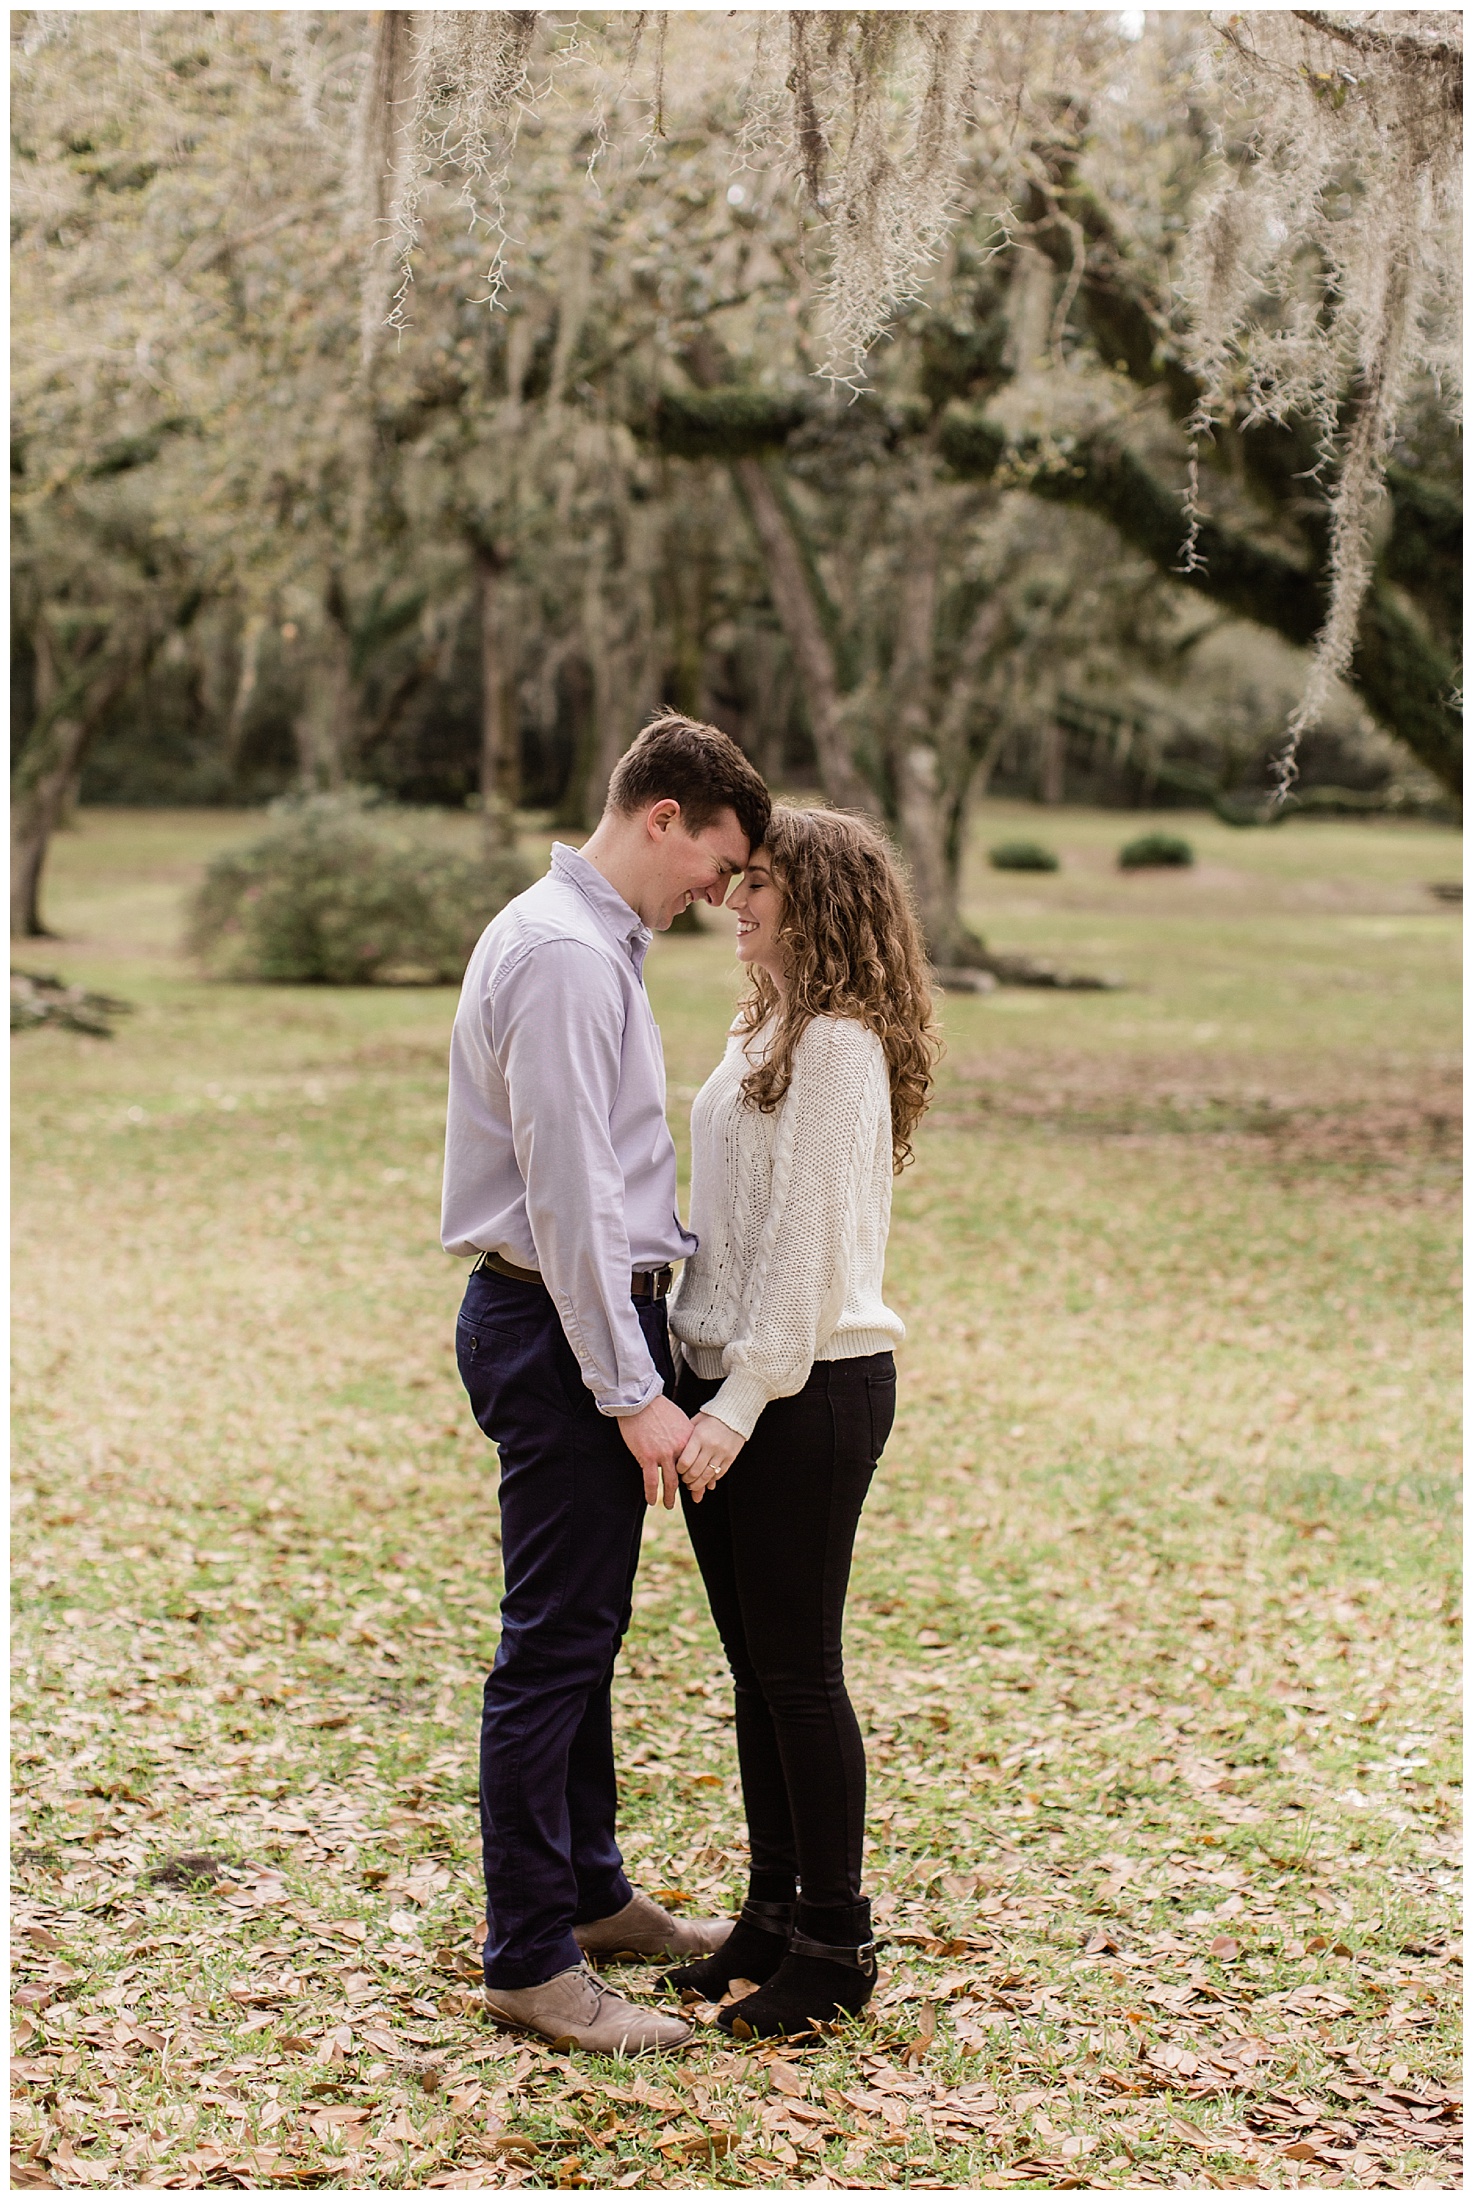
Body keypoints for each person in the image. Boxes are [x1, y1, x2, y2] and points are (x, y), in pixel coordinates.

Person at [442, 713, 771, 2054]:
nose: (722, 890)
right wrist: (630, 1387)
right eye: (720, 860)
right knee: (553, 1648)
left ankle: (586, 1897)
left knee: (583, 1635)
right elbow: (572, 1203)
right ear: (662, 818)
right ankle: (528, 1956)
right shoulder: (568, 959)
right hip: (562, 1329)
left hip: (569, 1324)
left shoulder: (588, 944)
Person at [664, 805, 939, 2040]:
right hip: (730, 1382)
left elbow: (807, 1257)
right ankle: (771, 1912)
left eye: (759, 883)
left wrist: (731, 1403)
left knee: (800, 1670)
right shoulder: (764, 1021)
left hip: (806, 1388)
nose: (735, 899)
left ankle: (836, 1940)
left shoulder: (837, 1044)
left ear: (817, 898)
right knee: (754, 1668)